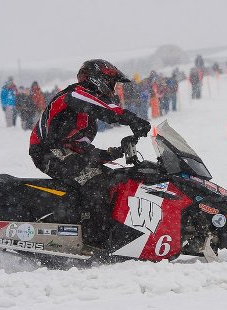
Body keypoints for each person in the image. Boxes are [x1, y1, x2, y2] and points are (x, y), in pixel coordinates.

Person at [29, 59, 150, 245]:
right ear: (98, 79)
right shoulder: (76, 94)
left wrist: (111, 154)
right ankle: (95, 240)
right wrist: (131, 119)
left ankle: (108, 230)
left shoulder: (85, 116)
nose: (113, 88)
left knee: (114, 178)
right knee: (95, 182)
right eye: (112, 83)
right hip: (47, 150)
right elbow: (105, 110)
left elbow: (80, 145)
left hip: (61, 150)